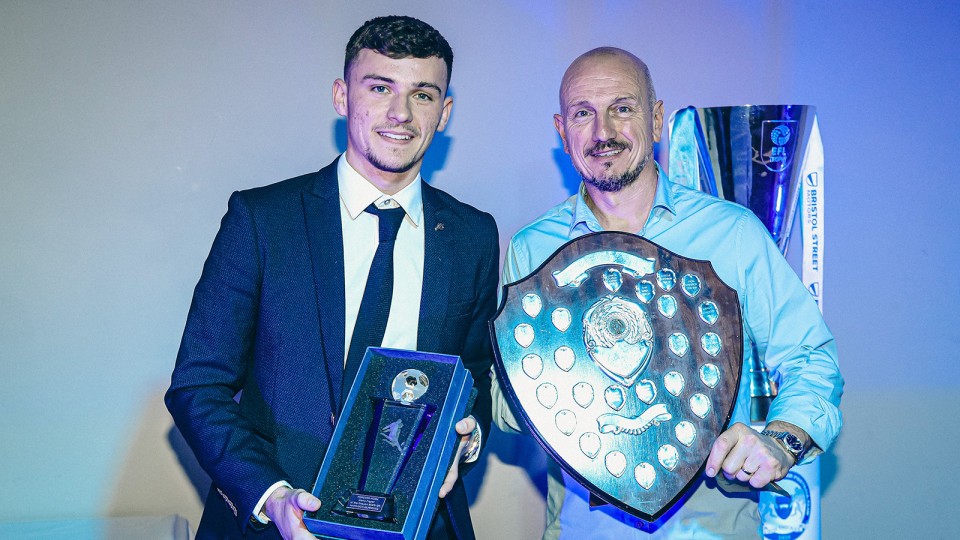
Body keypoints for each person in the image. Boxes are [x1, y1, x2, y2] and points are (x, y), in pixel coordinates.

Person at [166, 16, 499, 540]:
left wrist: (466, 438)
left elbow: (474, 375)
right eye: (380, 87)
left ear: (445, 113)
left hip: (421, 525)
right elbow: (197, 385)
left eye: (423, 94)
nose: (401, 113)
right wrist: (272, 498)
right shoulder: (262, 219)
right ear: (342, 96)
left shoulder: (472, 235)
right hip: (275, 524)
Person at [490, 47, 843, 538]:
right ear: (562, 130)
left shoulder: (731, 233)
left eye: (623, 107)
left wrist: (782, 442)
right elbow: (509, 404)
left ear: (656, 120)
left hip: (713, 527)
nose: (602, 132)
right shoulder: (533, 249)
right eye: (582, 114)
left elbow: (811, 359)